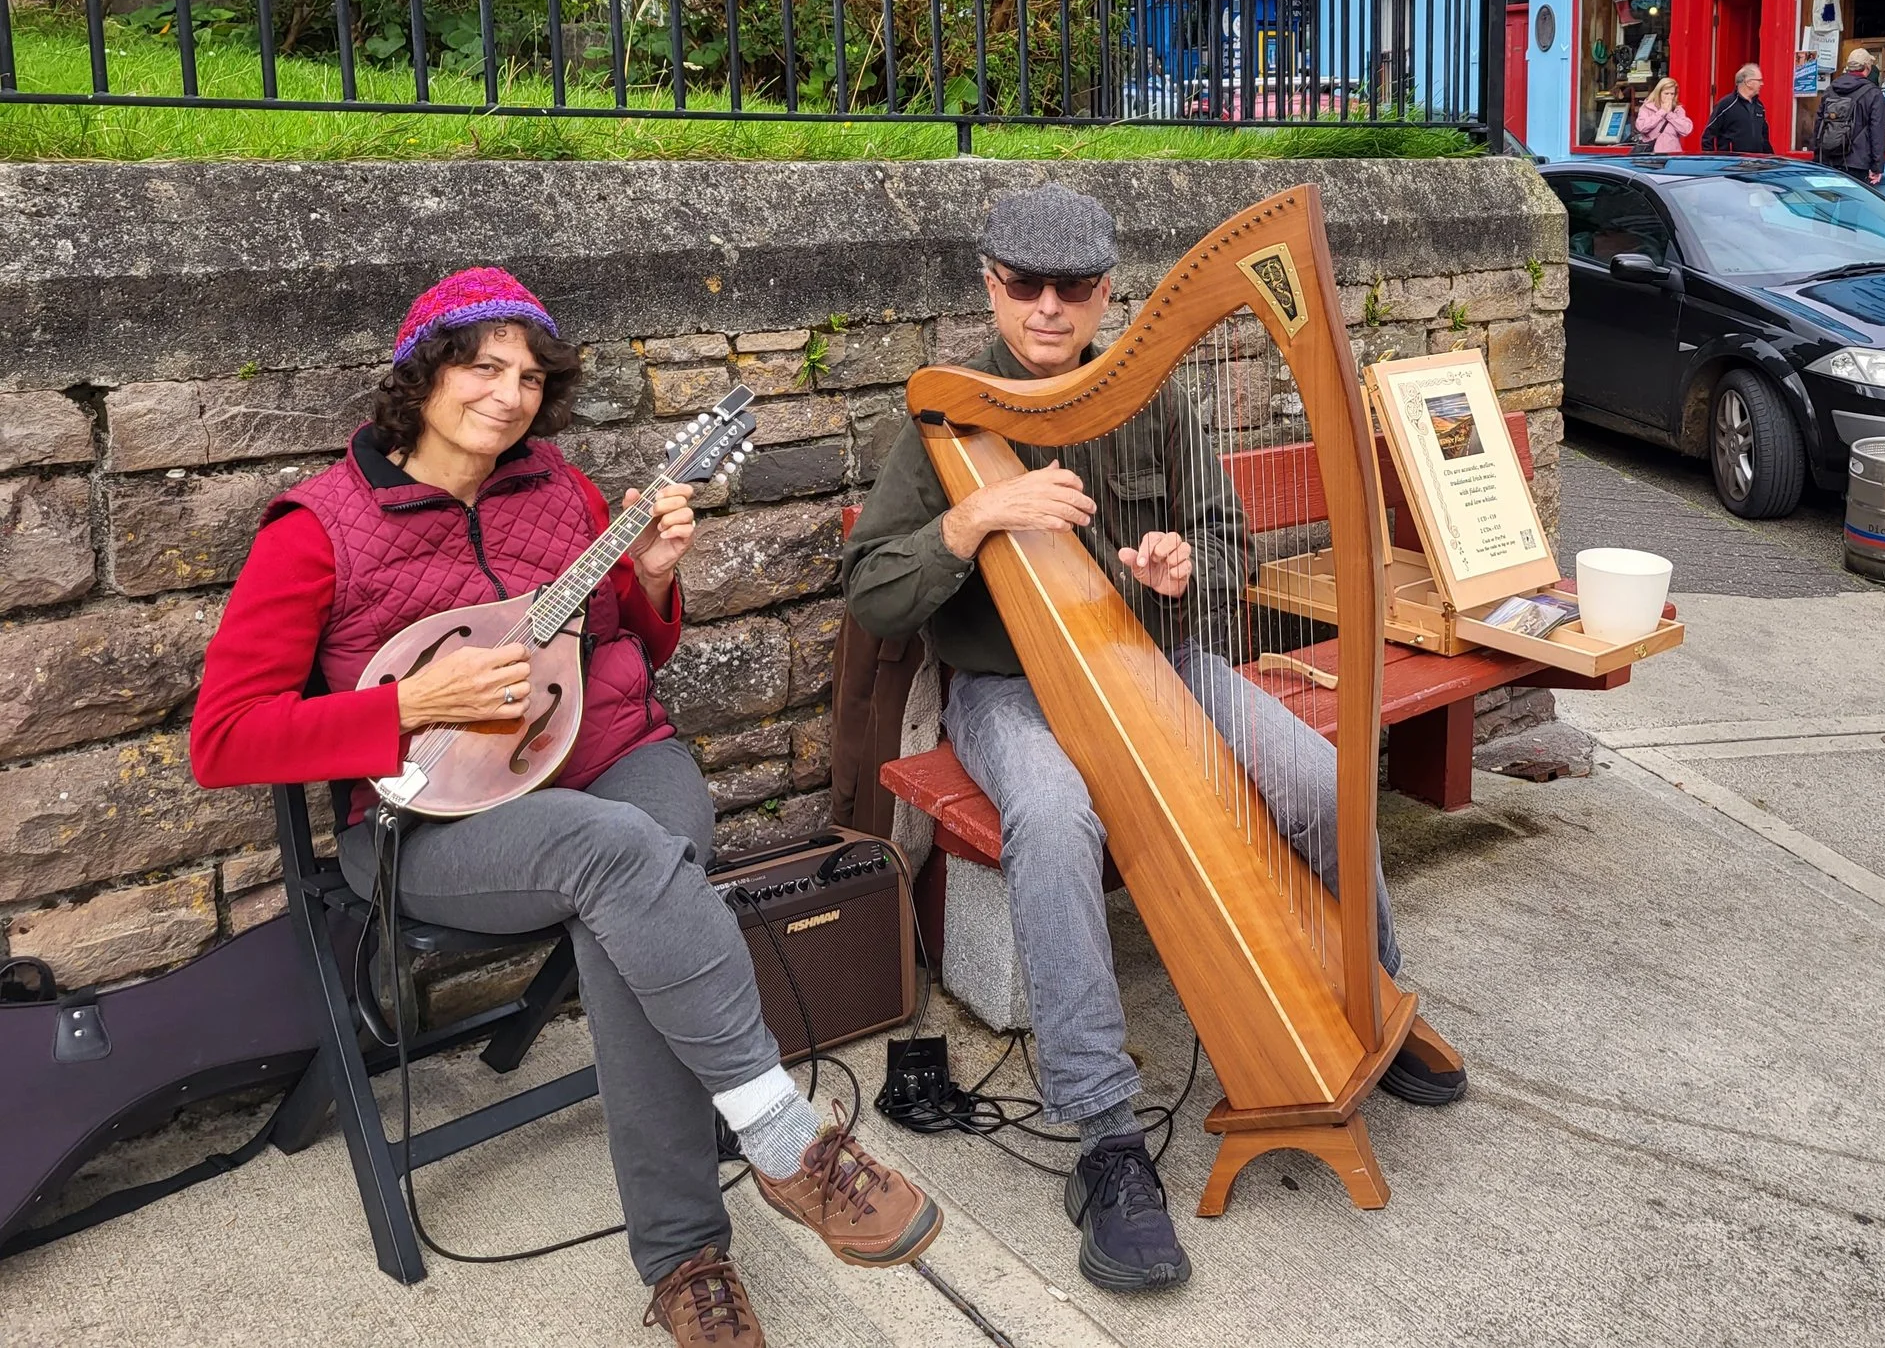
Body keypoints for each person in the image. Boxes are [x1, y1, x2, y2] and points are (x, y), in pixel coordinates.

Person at [190, 267, 938, 1348]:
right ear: (423, 371)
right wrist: (404, 706)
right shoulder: (317, 531)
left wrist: (652, 579)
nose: (508, 394)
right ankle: (775, 1153)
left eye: (531, 376)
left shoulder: (566, 492)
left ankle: (689, 1262)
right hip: (430, 826)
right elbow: (222, 742)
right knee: (630, 876)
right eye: (482, 366)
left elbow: (621, 654)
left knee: (626, 880)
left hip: (619, 763)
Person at [843, 185, 1464, 1295]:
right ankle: (1103, 1138)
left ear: (1105, 295)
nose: (1046, 308)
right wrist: (973, 519)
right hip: (1007, 689)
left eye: (1071, 289)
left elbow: (1228, 545)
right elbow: (875, 596)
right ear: (990, 284)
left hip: (1159, 664)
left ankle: (1374, 993)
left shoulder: (1155, 398)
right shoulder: (942, 417)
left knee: (1320, 777)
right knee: (1052, 817)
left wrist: (1186, 572)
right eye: (1023, 285)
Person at [1813, 47, 1885, 184]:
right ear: (1867, 67)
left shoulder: (1830, 90)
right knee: (1853, 205)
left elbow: (1819, 126)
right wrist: (1877, 167)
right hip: (1857, 163)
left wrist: (1818, 157)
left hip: (1828, 161)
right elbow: (1877, 131)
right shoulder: (1874, 94)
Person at [1699, 62, 1773, 153]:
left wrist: (1771, 158)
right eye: (1759, 80)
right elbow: (1708, 135)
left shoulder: (1759, 106)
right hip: (1732, 163)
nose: (1762, 84)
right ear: (1748, 82)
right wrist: (1711, 159)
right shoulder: (1726, 104)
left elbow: (1764, 138)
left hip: (1756, 163)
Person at [1632, 75, 1691, 153]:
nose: (1669, 97)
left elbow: (1686, 130)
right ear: (1659, 93)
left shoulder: (1678, 110)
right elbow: (1642, 127)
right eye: (1666, 94)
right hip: (1653, 154)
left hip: (1673, 153)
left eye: (1672, 94)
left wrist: (1669, 114)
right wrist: (1661, 112)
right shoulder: (1647, 107)